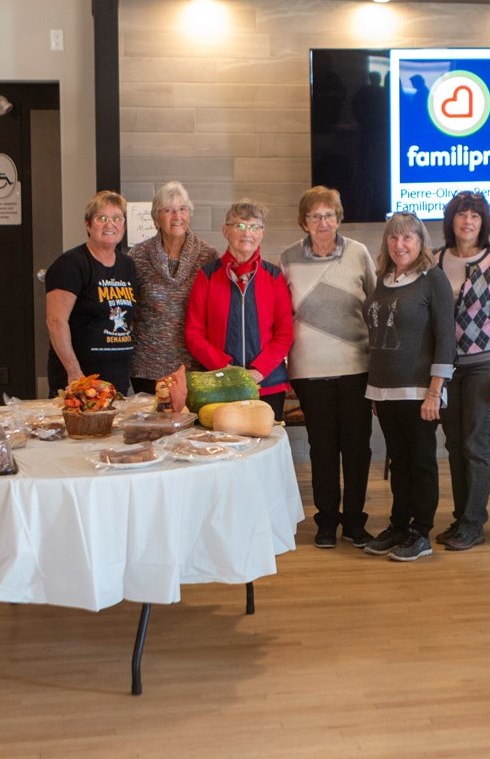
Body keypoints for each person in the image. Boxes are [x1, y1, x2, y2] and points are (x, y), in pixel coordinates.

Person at [279, 187, 377, 550]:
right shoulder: (288, 257)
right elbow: (282, 315)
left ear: (339, 218)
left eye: (329, 215)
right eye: (315, 216)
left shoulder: (358, 253)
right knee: (322, 449)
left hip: (356, 367)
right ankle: (326, 521)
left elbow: (374, 307)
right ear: (303, 221)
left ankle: (353, 522)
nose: (323, 222)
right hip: (309, 371)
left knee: (357, 448)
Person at [361, 213, 455, 562]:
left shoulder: (434, 279)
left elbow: (446, 339)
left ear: (420, 242)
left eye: (407, 238)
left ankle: (421, 532)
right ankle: (399, 525)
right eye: (393, 237)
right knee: (398, 462)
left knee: (421, 462)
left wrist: (435, 391)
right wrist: (375, 387)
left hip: (419, 392)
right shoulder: (383, 279)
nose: (399, 244)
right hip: (384, 391)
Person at [433, 192, 490, 552]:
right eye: (461, 215)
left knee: (476, 444)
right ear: (451, 220)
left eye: (475, 216)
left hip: (485, 364)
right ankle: (460, 519)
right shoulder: (435, 260)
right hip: (446, 368)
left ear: (483, 223)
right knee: (454, 444)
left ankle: (474, 524)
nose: (468, 222)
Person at [185, 199, 294, 418]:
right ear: (225, 231)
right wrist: (225, 369)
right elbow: (193, 333)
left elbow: (284, 334)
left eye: (254, 227)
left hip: (267, 385)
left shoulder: (274, 277)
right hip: (219, 386)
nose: (247, 233)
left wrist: (258, 372)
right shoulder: (207, 276)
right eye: (240, 226)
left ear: (262, 233)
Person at [127, 181, 219, 410]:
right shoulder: (137, 256)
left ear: (190, 214)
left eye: (182, 209)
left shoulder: (208, 256)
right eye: (168, 210)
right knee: (152, 427)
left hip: (194, 366)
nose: (177, 216)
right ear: (155, 218)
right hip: (147, 365)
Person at [45, 191, 138, 395]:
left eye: (117, 218)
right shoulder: (71, 264)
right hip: (80, 380)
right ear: (88, 224)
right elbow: (55, 321)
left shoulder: (128, 265)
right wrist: (74, 373)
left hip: (117, 380)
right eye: (101, 218)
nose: (110, 224)